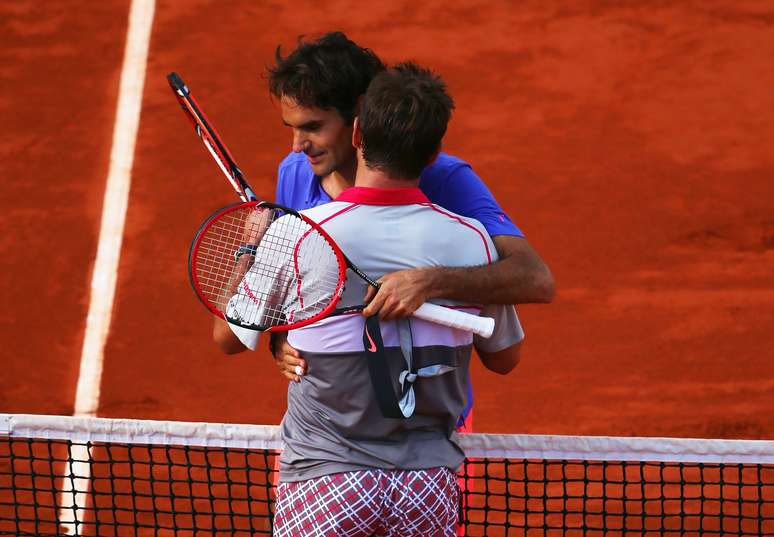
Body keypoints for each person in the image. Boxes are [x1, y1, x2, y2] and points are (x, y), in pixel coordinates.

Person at [215, 61, 524, 536]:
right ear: (433, 152)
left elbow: (228, 336)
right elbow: (504, 358)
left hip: (326, 482)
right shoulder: (476, 243)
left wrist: (252, 245)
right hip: (426, 488)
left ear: (356, 133)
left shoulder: (297, 234)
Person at [266, 33, 553, 412]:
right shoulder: (294, 173)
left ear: (359, 117)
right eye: (292, 127)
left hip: (430, 417)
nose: (297, 145)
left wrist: (429, 281)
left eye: (313, 127)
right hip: (331, 424)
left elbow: (535, 278)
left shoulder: (443, 177)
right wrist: (280, 339)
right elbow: (286, 292)